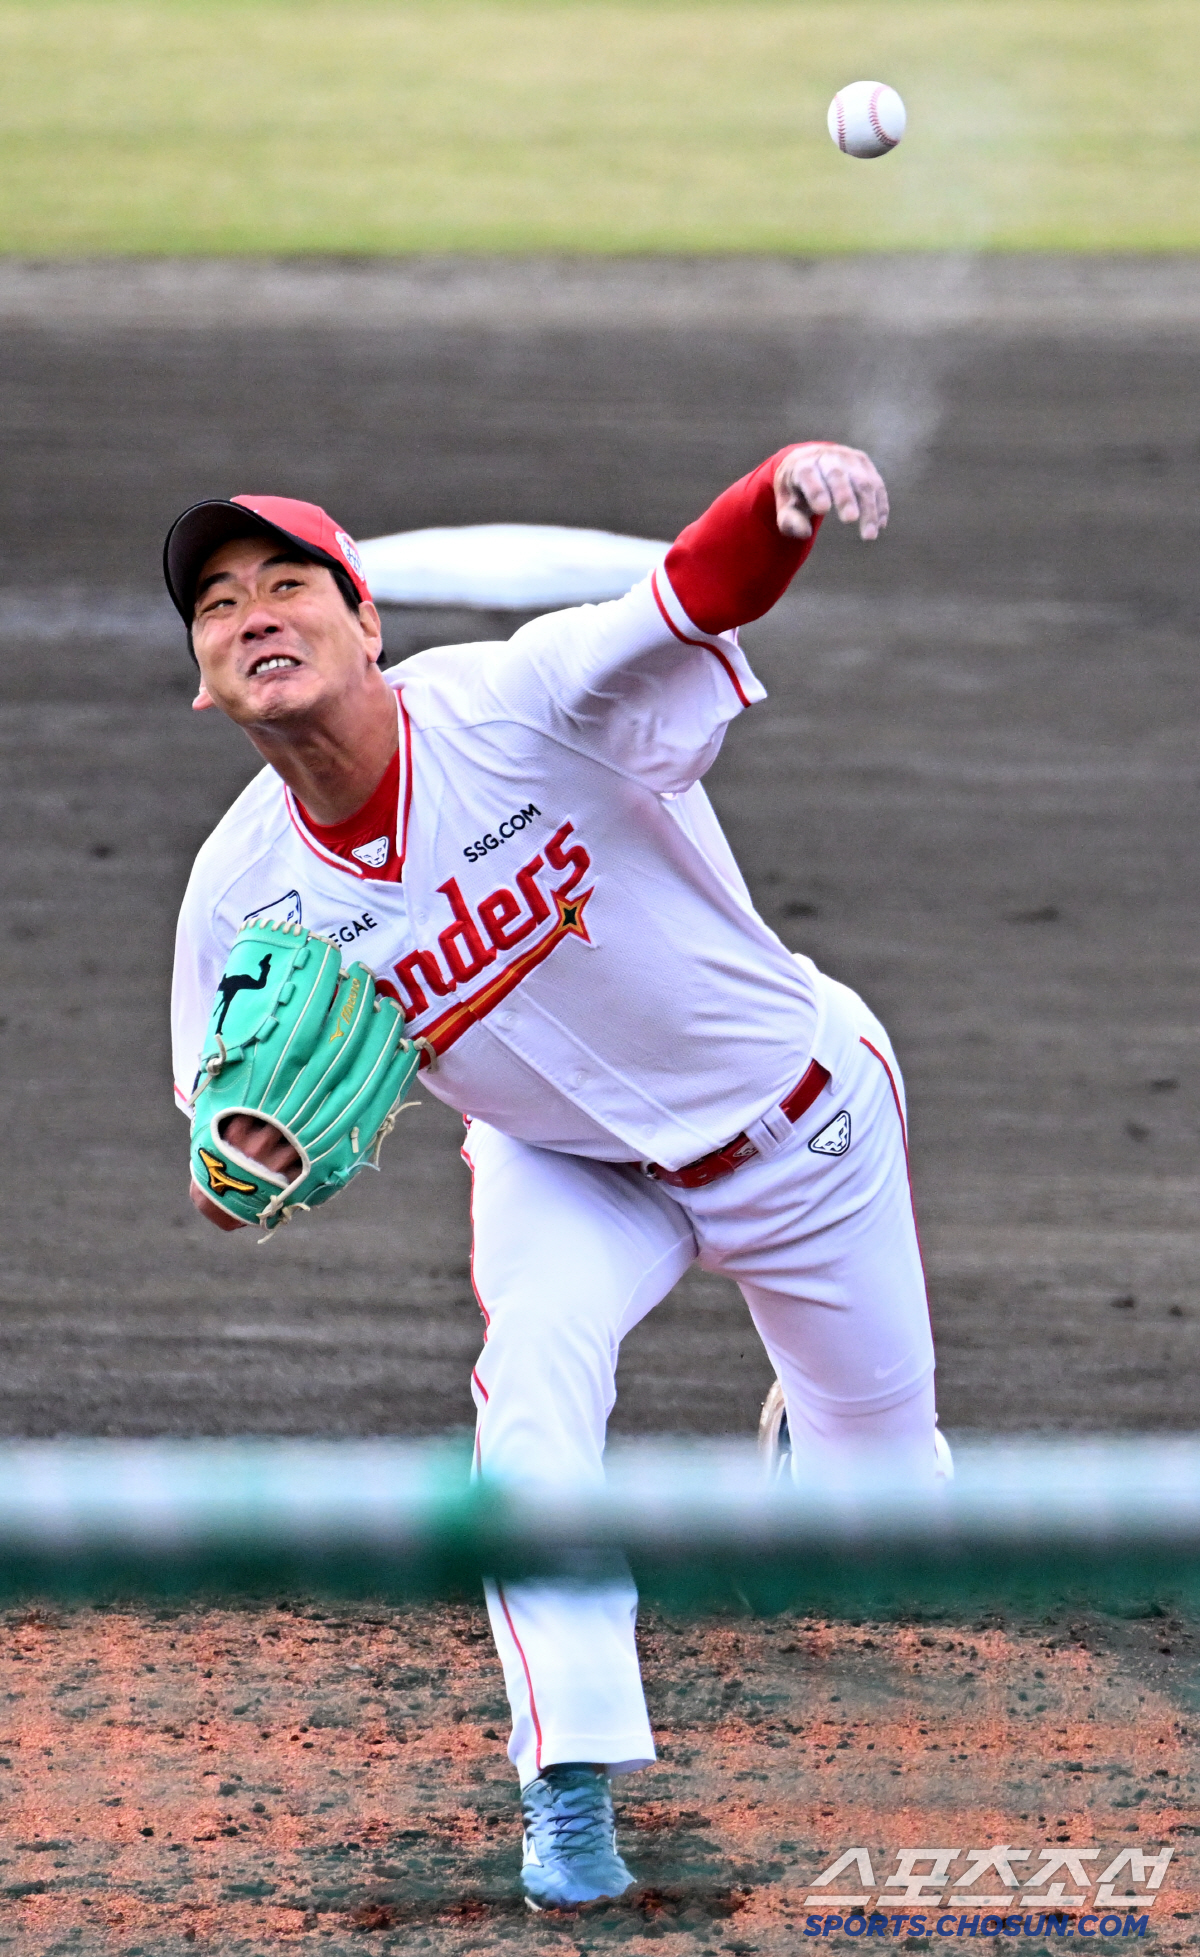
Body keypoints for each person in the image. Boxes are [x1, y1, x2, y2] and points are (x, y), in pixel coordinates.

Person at [165, 444, 943, 1910]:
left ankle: (817, 1460)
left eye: (289, 584)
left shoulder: (519, 704)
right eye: (218, 603)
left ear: (368, 620)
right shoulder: (240, 893)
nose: (255, 613)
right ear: (203, 676)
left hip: (801, 1126)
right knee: (531, 1385)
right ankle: (568, 1780)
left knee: (893, 1514)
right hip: (565, 1168)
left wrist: (778, 492)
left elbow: (682, 601)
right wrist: (243, 1167)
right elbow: (219, 1144)